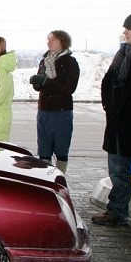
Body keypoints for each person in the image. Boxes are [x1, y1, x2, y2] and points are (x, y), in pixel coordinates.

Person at [92, 11, 131, 226]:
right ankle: (116, 212)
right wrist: (108, 105)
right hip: (117, 126)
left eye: (129, 28)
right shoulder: (122, 54)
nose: (125, 32)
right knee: (118, 173)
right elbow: (107, 81)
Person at [29, 30, 80, 173]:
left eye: (53, 39)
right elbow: (42, 86)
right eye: (48, 39)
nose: (49, 42)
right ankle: (44, 179)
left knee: (61, 149)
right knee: (44, 150)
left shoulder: (70, 62)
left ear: (62, 42)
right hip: (44, 111)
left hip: (61, 112)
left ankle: (59, 178)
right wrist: (37, 82)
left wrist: (46, 82)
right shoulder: (45, 61)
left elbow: (69, 88)